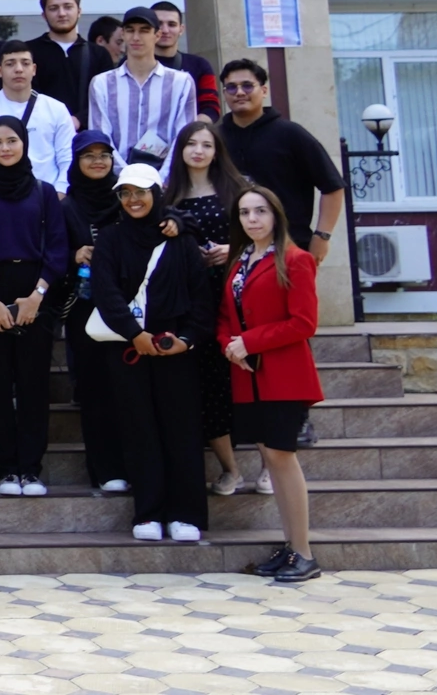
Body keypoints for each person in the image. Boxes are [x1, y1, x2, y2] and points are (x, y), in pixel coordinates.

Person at [92, 162, 216, 543]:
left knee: (182, 430)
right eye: (126, 193)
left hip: (176, 350)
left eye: (141, 192)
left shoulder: (179, 238)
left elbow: (201, 296)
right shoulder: (111, 239)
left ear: (157, 194)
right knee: (139, 429)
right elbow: (106, 293)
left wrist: (187, 339)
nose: (133, 200)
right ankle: (148, 512)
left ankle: (185, 514)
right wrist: (135, 334)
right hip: (129, 350)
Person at [223, 185, 325, 582]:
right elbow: (225, 316)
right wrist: (230, 345)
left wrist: (249, 342)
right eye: (245, 212)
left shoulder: (296, 259)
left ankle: (304, 553)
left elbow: (304, 323)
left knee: (282, 457)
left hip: (283, 376)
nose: (252, 219)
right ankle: (291, 547)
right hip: (248, 376)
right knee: (271, 456)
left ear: (276, 215)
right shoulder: (240, 260)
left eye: (260, 211)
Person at [0, 115, 68, 496]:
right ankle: (5, 469)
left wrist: (37, 295)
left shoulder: (43, 191)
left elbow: (57, 248)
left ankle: (30, 467)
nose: (5, 148)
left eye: (12, 140)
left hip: (35, 291)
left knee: (32, 383)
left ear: (24, 143)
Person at [162, 118, 248, 495]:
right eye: (191, 144)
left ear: (217, 152)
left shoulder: (238, 190)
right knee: (209, 384)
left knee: (247, 378)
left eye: (207, 145)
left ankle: (268, 465)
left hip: (238, 294)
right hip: (195, 301)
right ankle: (231, 469)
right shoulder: (168, 196)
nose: (198, 151)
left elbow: (267, 235)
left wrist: (234, 249)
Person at [216, 59, 348, 265]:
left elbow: (333, 186)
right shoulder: (214, 138)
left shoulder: (290, 134)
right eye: (231, 87)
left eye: (247, 86)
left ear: (264, 90)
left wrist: (322, 236)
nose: (239, 92)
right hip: (229, 250)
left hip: (288, 248)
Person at [60, 131, 129, 493]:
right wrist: (74, 255)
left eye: (104, 154)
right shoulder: (67, 206)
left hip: (128, 307)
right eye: (89, 155)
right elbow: (53, 251)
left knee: (128, 388)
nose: (98, 161)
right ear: (76, 161)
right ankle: (105, 469)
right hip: (85, 310)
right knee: (95, 389)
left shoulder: (126, 198)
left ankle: (134, 464)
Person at [88, 7, 198, 168]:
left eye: (144, 30)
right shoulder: (102, 83)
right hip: (117, 178)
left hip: (167, 177)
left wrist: (162, 177)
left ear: (157, 35)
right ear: (123, 34)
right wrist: (126, 176)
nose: (136, 37)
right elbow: (101, 137)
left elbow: (184, 136)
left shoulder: (181, 82)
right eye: (130, 30)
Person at [0, 43, 76, 192]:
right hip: (1, 194)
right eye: (10, 64)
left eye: (25, 63)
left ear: (34, 69)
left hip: (49, 194)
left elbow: (68, 159)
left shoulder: (56, 109)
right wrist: (7, 193)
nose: (18, 69)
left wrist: (59, 192)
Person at [25, 0, 100, 124]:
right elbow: (24, 95)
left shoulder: (98, 54)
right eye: (53, 8)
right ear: (44, 15)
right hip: (42, 129)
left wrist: (79, 120)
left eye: (68, 7)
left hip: (87, 133)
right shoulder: (28, 52)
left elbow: (104, 98)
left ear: (79, 11)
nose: (62, 13)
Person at [150, 1, 219, 118]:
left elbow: (211, 107)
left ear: (181, 29)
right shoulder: (130, 64)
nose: (165, 30)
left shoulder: (200, 65)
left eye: (172, 24)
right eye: (159, 24)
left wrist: (192, 127)